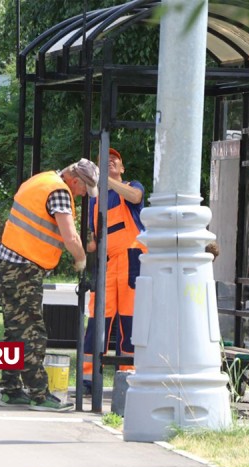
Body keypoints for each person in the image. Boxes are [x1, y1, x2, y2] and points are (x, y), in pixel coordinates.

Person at [0, 158, 99, 412]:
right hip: (22, 268)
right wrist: (81, 259)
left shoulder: (41, 179)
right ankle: (39, 394)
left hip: (9, 263)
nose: (83, 194)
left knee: (16, 329)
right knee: (32, 331)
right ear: (75, 180)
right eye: (84, 189)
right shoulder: (60, 192)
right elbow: (69, 236)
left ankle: (10, 389)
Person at [82, 148, 147, 393]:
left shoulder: (132, 186)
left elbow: (135, 197)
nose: (110, 162)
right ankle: (88, 378)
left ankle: (127, 376)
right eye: (104, 161)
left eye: (114, 160)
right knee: (99, 318)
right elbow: (92, 239)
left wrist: (104, 179)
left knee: (130, 321)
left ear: (122, 168)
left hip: (133, 260)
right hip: (107, 263)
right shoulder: (94, 199)